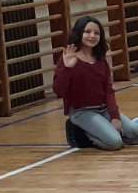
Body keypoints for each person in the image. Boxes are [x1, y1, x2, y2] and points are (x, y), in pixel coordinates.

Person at [54, 15, 127, 150]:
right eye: (87, 32)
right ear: (79, 33)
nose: (92, 36)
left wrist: (114, 116)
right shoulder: (68, 59)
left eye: (96, 33)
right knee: (115, 142)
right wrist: (67, 68)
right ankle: (81, 132)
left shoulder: (100, 60)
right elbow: (58, 91)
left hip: (103, 109)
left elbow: (109, 91)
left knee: (134, 137)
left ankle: (104, 128)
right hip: (82, 112)